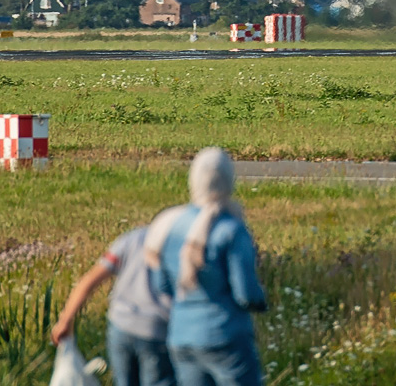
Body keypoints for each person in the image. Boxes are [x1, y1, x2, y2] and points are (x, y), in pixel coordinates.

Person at [144, 148, 267, 386]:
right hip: (225, 336)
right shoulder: (231, 229)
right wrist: (261, 302)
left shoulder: (173, 225)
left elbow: (163, 285)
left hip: (182, 337)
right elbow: (246, 294)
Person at [50, 225, 175, 386]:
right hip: (155, 329)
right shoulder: (179, 242)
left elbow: (89, 281)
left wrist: (66, 319)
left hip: (121, 325)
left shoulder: (131, 239)